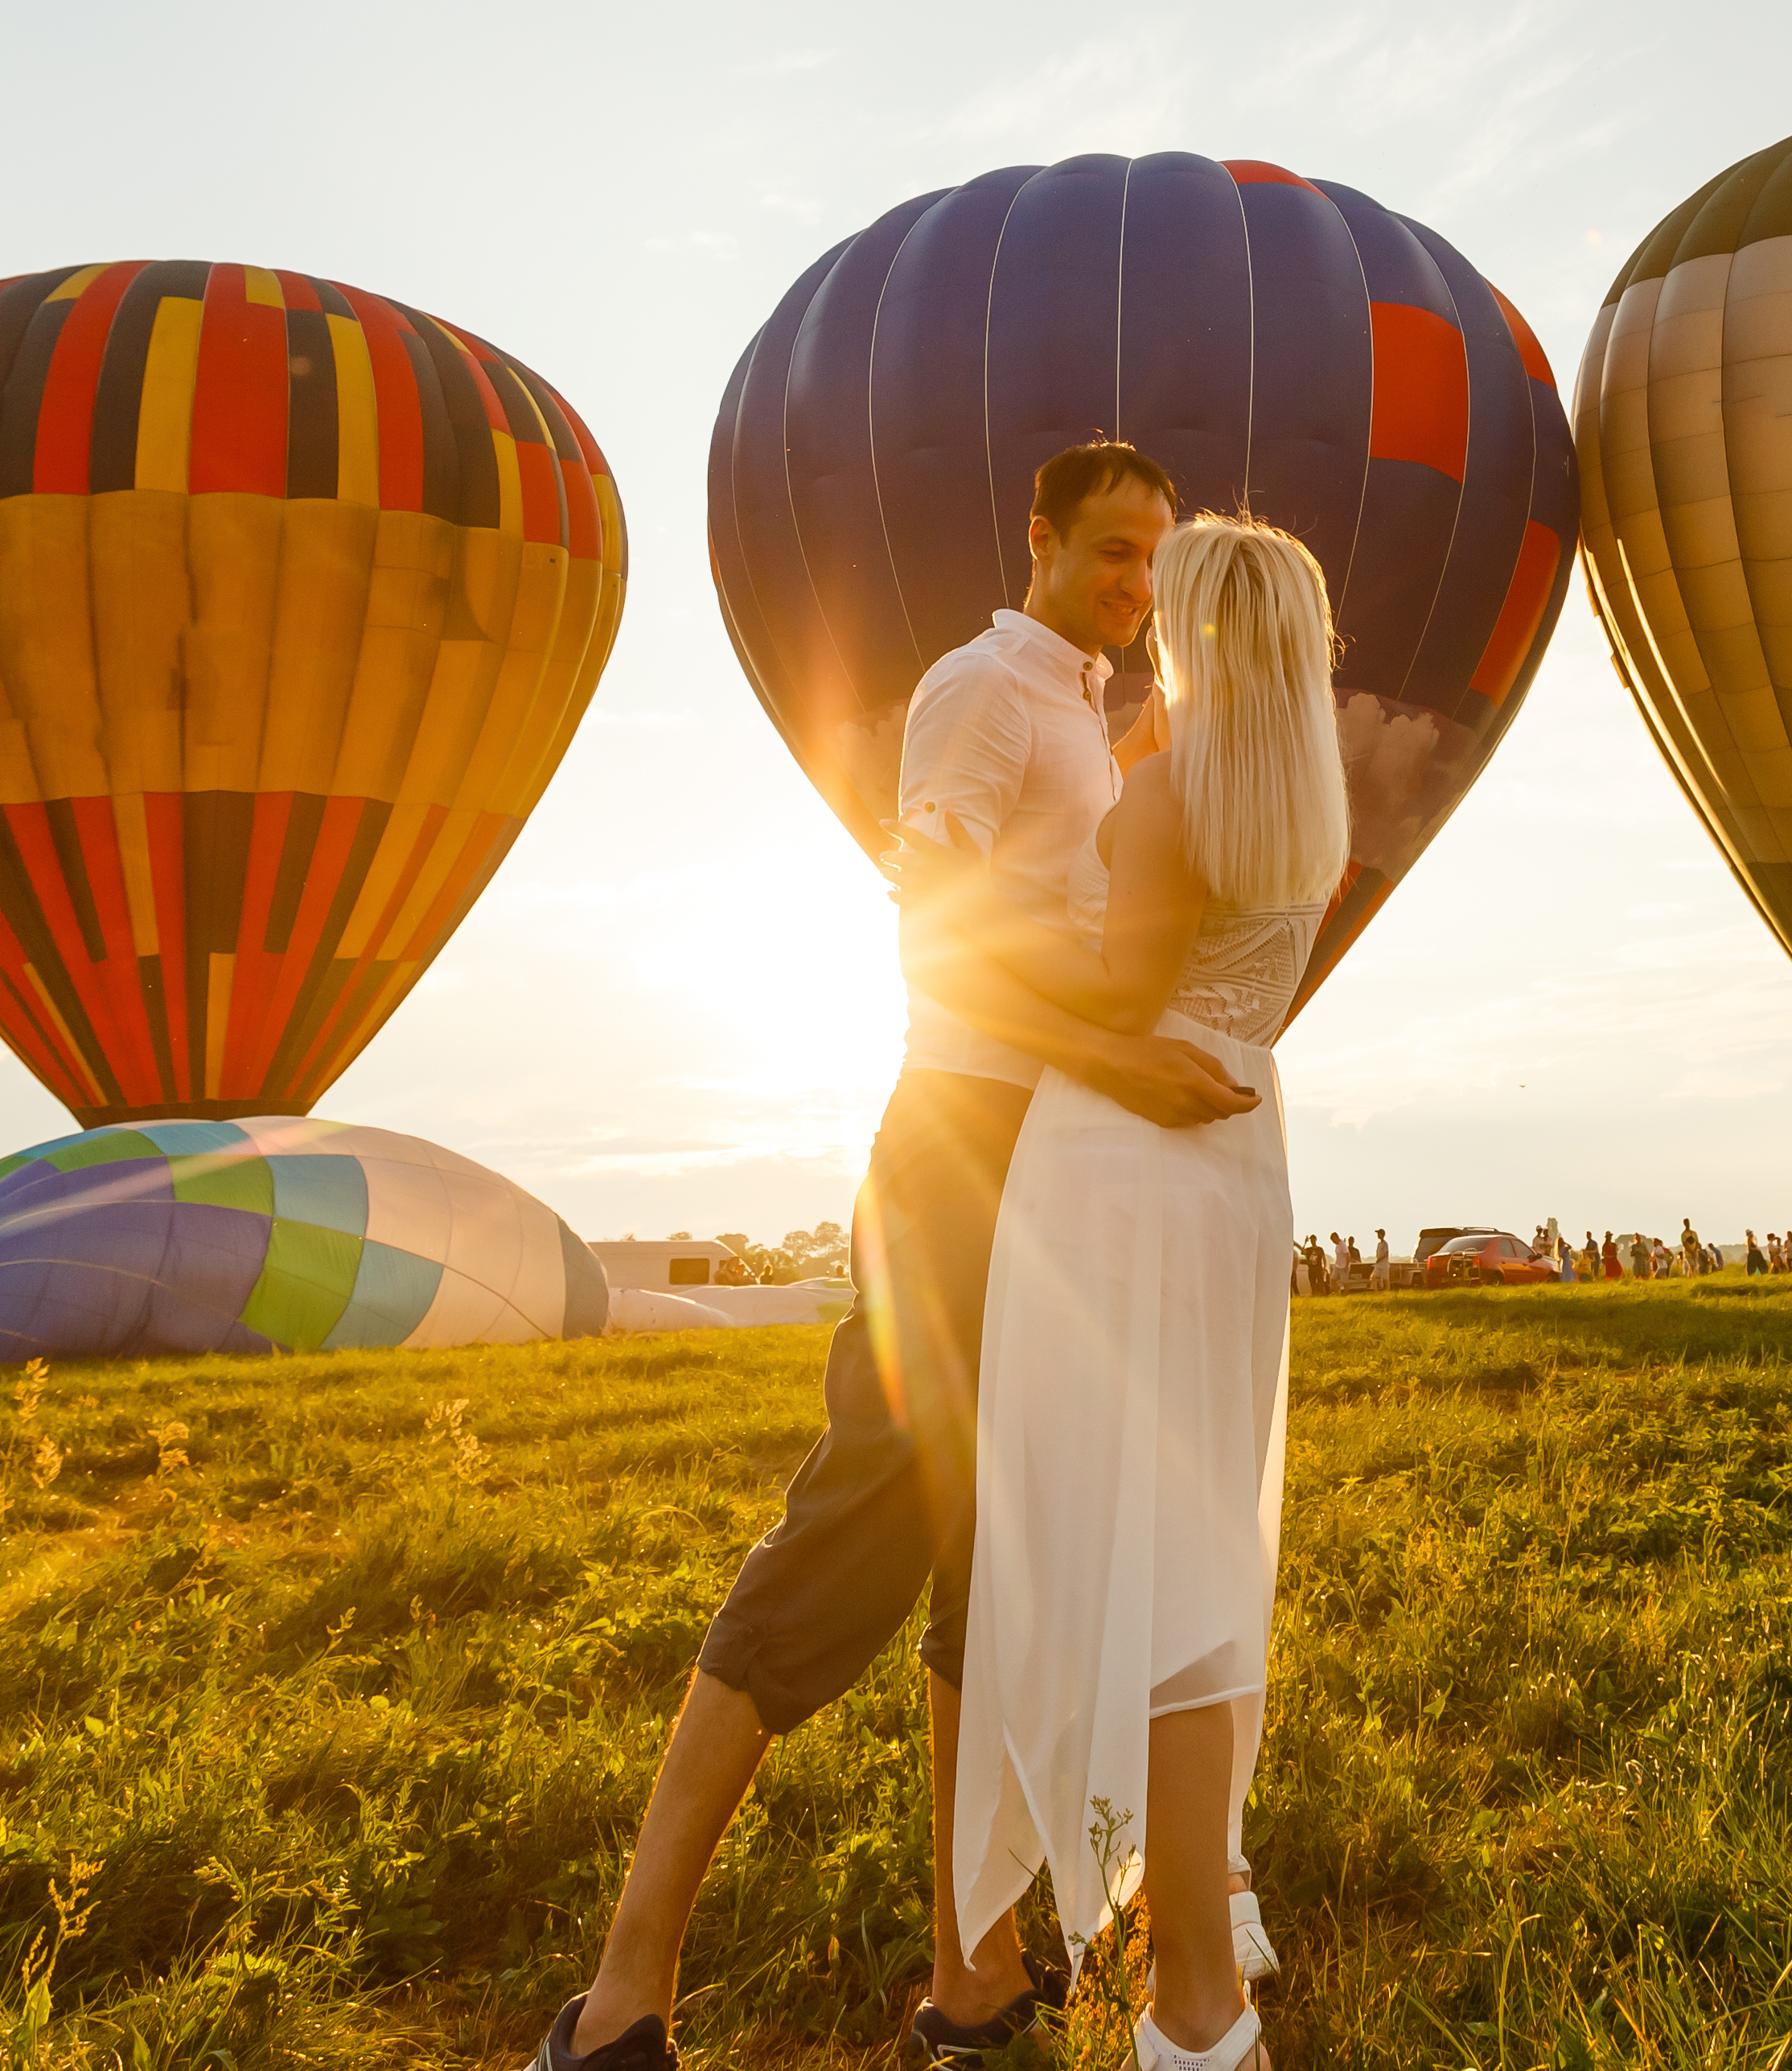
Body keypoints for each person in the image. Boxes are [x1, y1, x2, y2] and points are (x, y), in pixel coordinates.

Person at [536, 445, 1257, 2071]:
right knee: (850, 1534)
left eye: (1155, 559)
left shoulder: (1090, 714)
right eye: (1111, 550)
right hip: (956, 1148)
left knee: (989, 1572)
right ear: (1039, 539)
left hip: (1047, 1163)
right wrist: (1117, 1057)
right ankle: (620, 2000)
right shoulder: (984, 689)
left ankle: (970, 1977)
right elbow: (933, 931)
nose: (1136, 584)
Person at [924, 514, 1350, 2071]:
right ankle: (1202, 1922)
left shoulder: (1169, 798)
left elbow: (1118, 997)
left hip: (1119, 1167)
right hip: (1234, 1163)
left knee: (1130, 1552)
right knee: (1198, 1540)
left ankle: (1194, 2001)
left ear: (1195, 633)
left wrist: (973, 926)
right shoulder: (1301, 812)